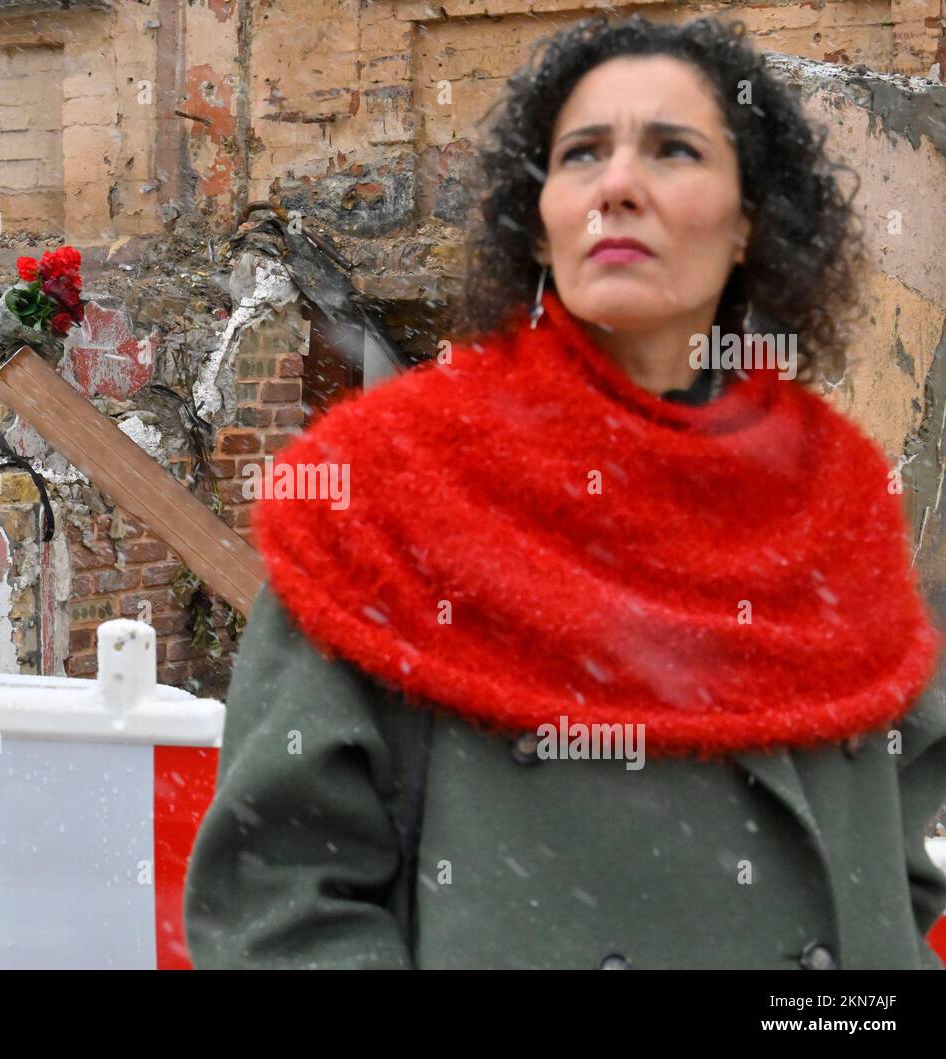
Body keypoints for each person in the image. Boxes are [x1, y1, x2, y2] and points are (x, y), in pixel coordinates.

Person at [182, 13, 946, 969]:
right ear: (537, 228)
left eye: (673, 150)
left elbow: (896, 860)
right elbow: (278, 903)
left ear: (751, 218)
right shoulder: (389, 486)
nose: (618, 187)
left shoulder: (838, 495)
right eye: (581, 155)